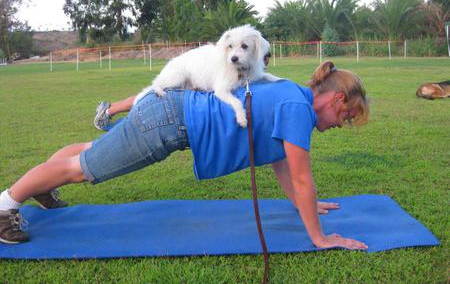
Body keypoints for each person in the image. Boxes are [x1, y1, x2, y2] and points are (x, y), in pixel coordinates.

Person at [0, 61, 369, 250]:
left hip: (171, 114)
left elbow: (281, 164)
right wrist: (320, 237)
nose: (342, 124)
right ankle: (5, 207)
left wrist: (306, 204)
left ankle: (41, 189)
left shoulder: (292, 96)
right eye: (347, 115)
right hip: (170, 121)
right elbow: (302, 177)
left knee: (90, 153)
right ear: (336, 98)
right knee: (83, 169)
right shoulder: (298, 110)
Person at [93, 51, 272, 130]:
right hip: (184, 72)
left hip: (193, 80)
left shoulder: (246, 69)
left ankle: (111, 109)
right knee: (153, 95)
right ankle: (108, 110)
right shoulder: (232, 62)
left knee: (153, 97)